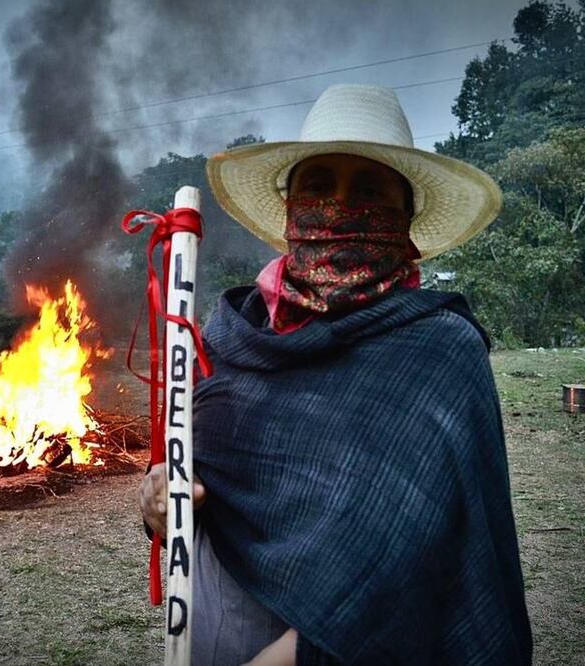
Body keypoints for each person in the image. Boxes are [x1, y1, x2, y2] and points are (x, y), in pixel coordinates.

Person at [138, 84, 533, 665]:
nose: (339, 206)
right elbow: (190, 485)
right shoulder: (226, 335)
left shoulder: (439, 351)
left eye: (368, 189)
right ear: (292, 204)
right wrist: (159, 498)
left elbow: (422, 561)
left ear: (406, 216)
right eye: (319, 185)